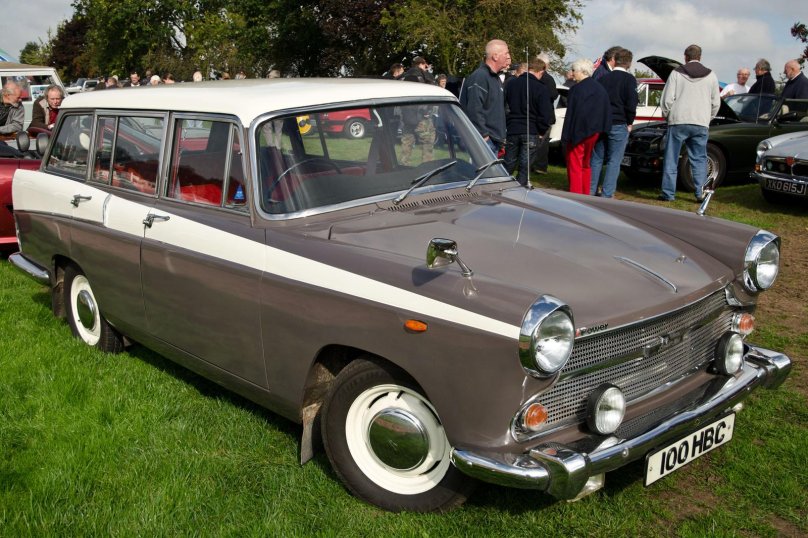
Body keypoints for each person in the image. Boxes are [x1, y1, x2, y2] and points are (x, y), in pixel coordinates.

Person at [658, 44, 720, 202]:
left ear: (685, 57)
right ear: (700, 57)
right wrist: (707, 118)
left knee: (671, 158)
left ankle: (668, 193)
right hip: (700, 122)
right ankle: (700, 193)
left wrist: (667, 116)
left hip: (678, 120)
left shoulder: (676, 73)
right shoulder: (711, 75)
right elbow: (716, 103)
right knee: (699, 159)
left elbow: (667, 100)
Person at [590, 48, 638, 198]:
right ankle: (607, 193)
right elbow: (631, 104)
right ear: (629, 63)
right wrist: (630, 121)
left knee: (597, 158)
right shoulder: (629, 80)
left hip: (602, 122)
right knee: (614, 160)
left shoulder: (604, 79)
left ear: (615, 60)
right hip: (619, 122)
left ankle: (590, 190)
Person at [561, 59, 610, 194]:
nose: (572, 73)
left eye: (574, 70)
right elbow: (605, 110)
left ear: (581, 71)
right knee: (586, 163)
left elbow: (571, 114)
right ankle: (585, 193)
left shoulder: (576, 89)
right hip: (594, 132)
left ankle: (576, 195)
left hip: (578, 132)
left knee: (575, 165)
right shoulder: (599, 88)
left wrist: (566, 136)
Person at [503, 59, 554, 185]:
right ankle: (519, 190)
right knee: (524, 168)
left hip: (513, 128)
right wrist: (542, 130)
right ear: (541, 72)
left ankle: (500, 187)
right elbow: (546, 114)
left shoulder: (511, 84)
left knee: (508, 165)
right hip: (531, 130)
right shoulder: (541, 88)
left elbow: (504, 106)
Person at [460, 39, 511, 155]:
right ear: (495, 56)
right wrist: (484, 135)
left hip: (494, 140)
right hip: (485, 141)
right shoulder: (480, 77)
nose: (508, 57)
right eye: (506, 53)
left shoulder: (495, 78)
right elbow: (474, 109)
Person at [400, 57, 436, 166]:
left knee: (406, 144)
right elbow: (434, 92)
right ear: (421, 64)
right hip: (422, 117)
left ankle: (403, 167)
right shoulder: (426, 76)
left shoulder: (403, 77)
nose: (426, 67)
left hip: (406, 116)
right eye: (425, 65)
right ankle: (427, 169)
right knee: (427, 143)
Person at [532, 53, 559, 174]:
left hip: (534, 113)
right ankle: (540, 166)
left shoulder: (532, 77)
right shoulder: (548, 79)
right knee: (543, 142)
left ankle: (532, 164)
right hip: (545, 114)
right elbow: (554, 95)